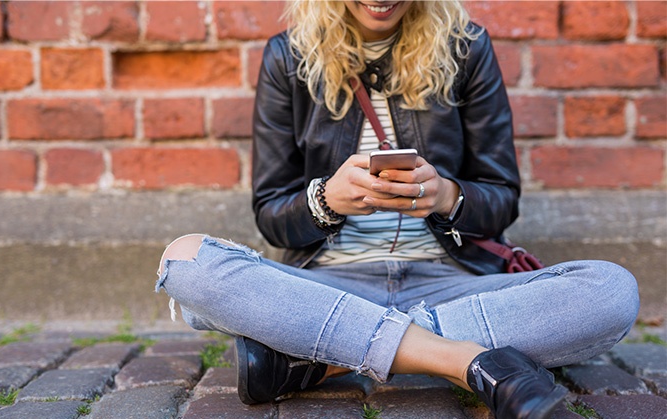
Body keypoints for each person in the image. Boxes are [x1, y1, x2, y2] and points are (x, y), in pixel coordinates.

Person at [156, 1, 639, 418]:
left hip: (448, 280)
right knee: (187, 261)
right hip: (330, 280)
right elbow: (271, 213)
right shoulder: (289, 55)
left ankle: (320, 356)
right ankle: (460, 359)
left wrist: (446, 197)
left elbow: (501, 196)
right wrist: (327, 200)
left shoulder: (465, 48)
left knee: (611, 290)